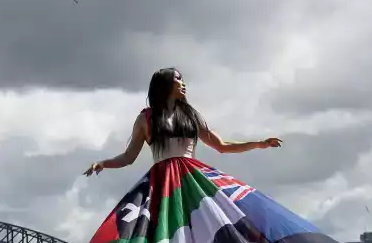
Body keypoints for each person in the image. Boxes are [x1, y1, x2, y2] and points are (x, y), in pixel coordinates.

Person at [82, 68, 281, 178]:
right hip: (163, 183)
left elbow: (222, 146)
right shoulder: (146, 119)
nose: (183, 83)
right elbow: (128, 157)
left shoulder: (191, 115)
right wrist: (103, 163)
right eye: (178, 79)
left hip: (191, 178)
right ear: (165, 85)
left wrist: (260, 143)